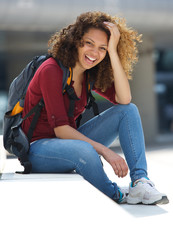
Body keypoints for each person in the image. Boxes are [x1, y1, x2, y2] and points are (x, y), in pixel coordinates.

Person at [22, 11, 168, 204]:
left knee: (128, 111)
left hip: (70, 143)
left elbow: (124, 99)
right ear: (75, 40)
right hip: (38, 151)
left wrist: (113, 52)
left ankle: (140, 182)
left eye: (102, 48)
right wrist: (106, 152)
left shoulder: (90, 75)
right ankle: (115, 193)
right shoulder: (52, 70)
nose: (94, 53)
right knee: (85, 150)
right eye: (89, 43)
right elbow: (61, 129)